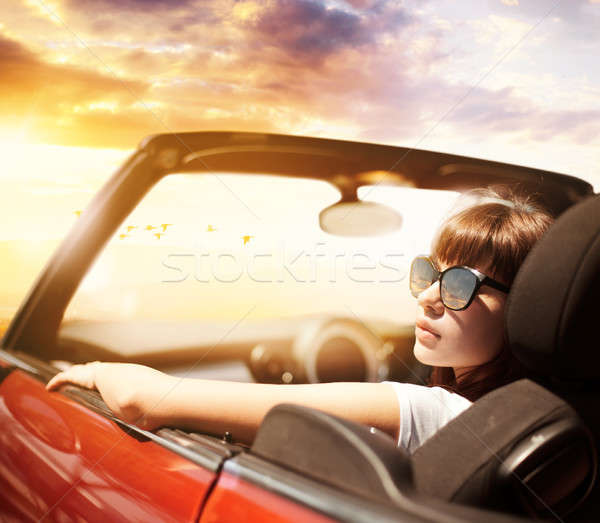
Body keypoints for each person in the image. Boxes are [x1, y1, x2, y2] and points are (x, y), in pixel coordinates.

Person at [46, 186, 554, 453]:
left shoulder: (432, 414)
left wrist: (92, 372)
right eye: (429, 273)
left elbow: (145, 400)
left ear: (532, 311)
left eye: (462, 284)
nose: (429, 299)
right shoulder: (533, 419)